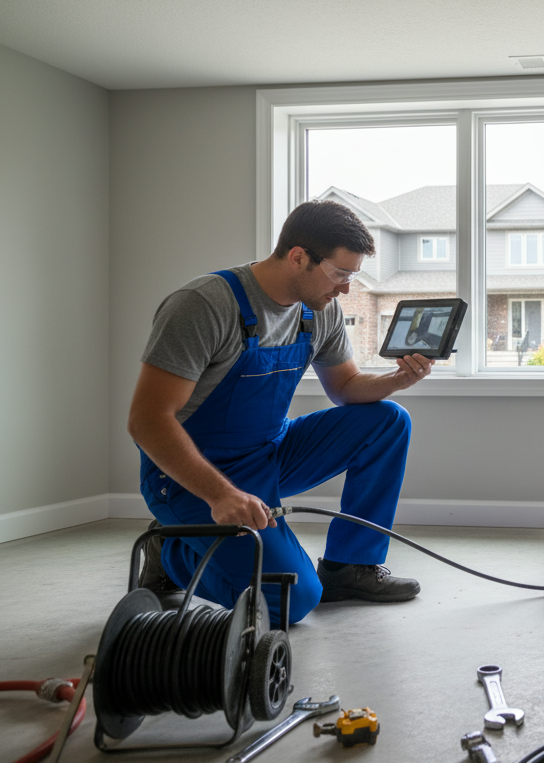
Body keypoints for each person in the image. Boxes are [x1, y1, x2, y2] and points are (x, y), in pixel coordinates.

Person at [128, 200, 434, 626]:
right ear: (298, 257)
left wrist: (394, 381)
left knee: (388, 420)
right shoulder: (204, 305)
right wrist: (220, 495)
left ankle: (349, 566)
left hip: (267, 453)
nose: (347, 288)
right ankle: (172, 553)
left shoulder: (320, 311)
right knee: (292, 600)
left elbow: (345, 388)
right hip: (191, 477)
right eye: (341, 273)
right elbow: (147, 420)